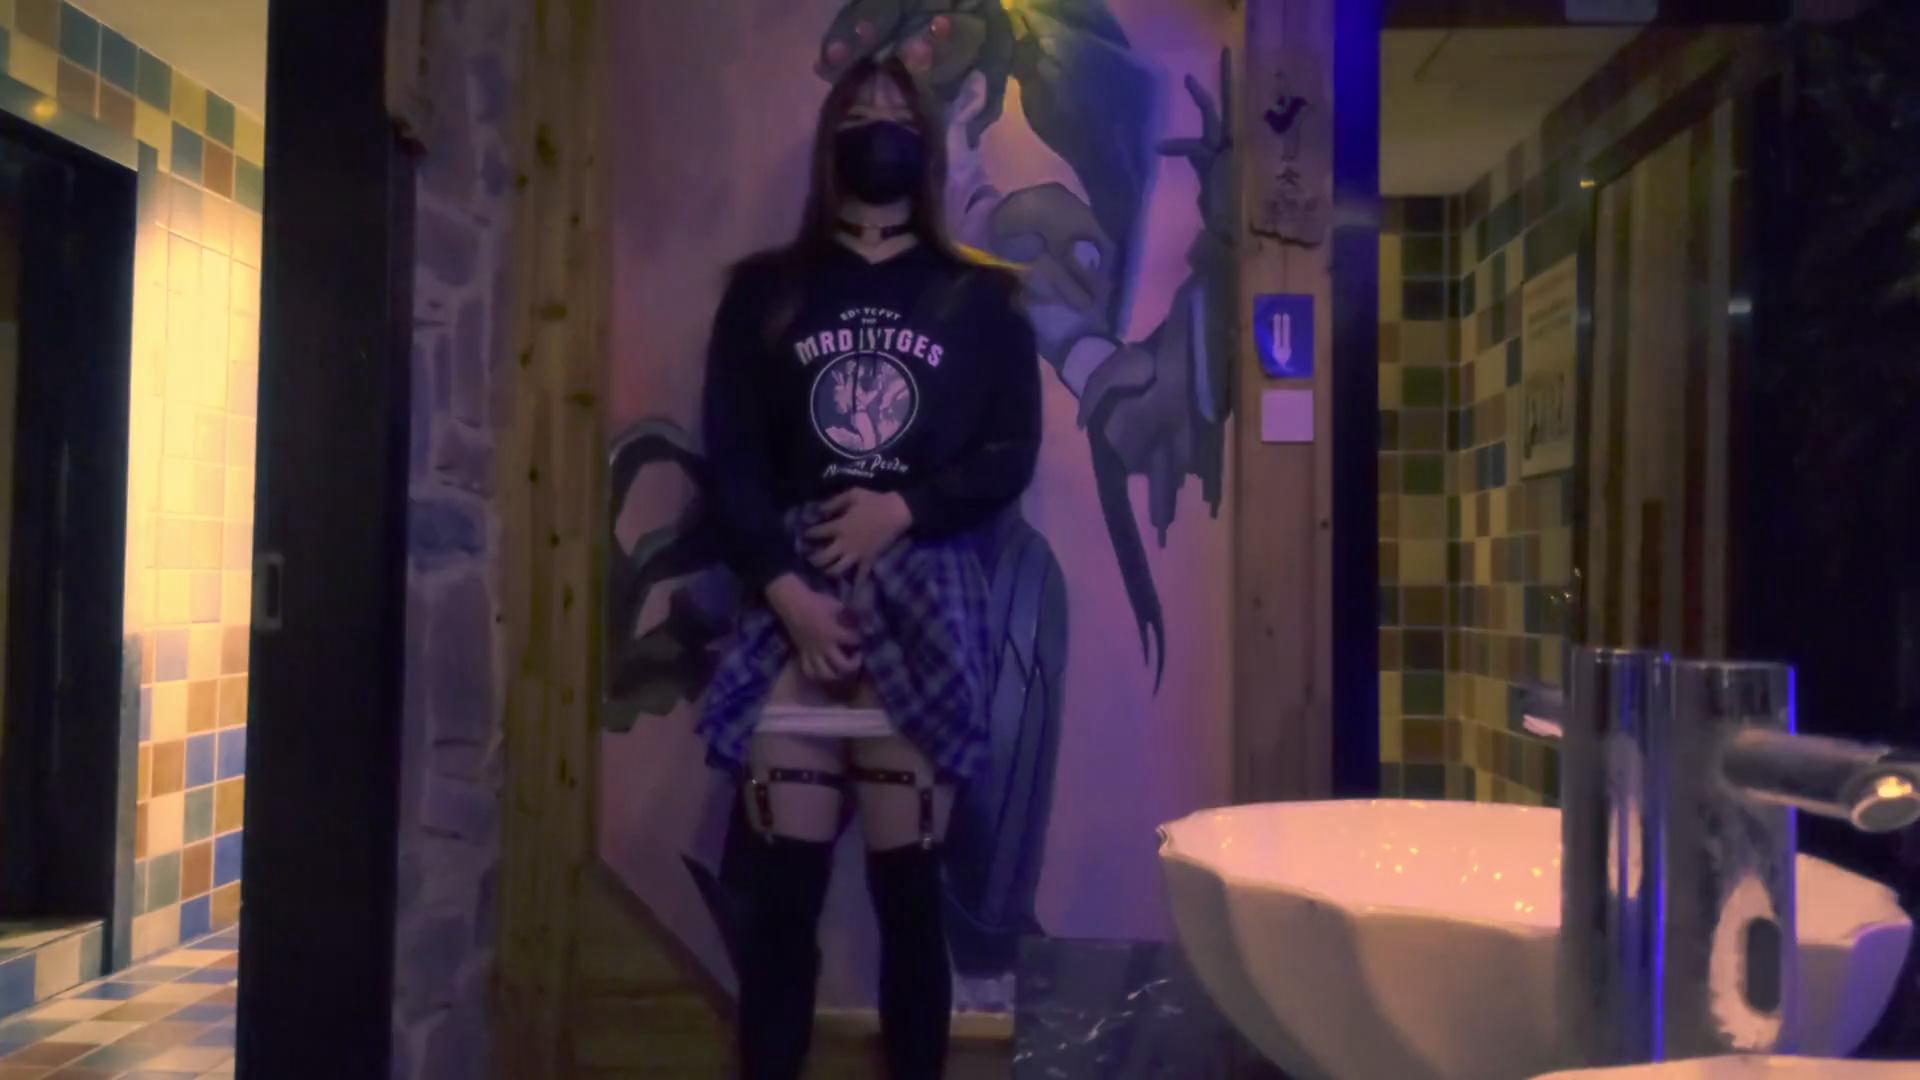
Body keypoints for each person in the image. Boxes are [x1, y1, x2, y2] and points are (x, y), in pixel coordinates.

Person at [695, 56, 1042, 1080]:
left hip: (924, 595)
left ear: (926, 146)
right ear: (829, 138)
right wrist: (787, 592)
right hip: (792, 601)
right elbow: (733, 459)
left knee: (908, 898)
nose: (880, 126)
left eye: (898, 113)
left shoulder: (982, 297)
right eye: (859, 112)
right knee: (779, 904)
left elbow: (1011, 451)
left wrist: (905, 508)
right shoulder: (764, 292)